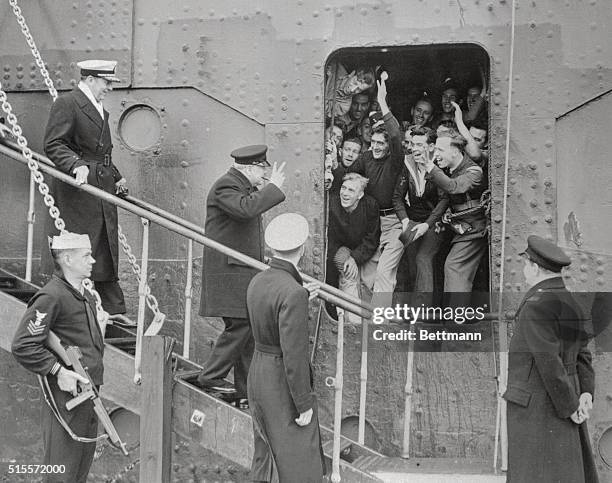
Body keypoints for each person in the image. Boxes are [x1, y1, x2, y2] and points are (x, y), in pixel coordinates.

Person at [12, 232, 110, 483]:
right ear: (67, 259)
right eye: (86, 255)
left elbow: (85, 347)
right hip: (66, 399)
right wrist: (58, 371)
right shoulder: (51, 296)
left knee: (77, 475)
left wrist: (100, 329)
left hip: (88, 394)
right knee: (60, 475)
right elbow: (23, 344)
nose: (93, 261)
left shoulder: (82, 296)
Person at [503, 235, 598, 483]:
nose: (524, 270)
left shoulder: (536, 304)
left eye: (526, 264)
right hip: (565, 399)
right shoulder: (572, 301)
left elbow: (549, 361)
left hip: (539, 406)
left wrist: (570, 408)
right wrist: (585, 394)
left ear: (535, 268)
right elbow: (583, 353)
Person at [197, 145, 286, 401]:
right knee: (242, 325)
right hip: (229, 274)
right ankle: (210, 376)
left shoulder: (241, 187)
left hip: (239, 272)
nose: (264, 174)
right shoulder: (226, 185)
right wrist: (275, 187)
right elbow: (246, 209)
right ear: (249, 167)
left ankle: (245, 392)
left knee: (247, 334)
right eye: (262, 168)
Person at [43, 60, 127, 316]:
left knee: (103, 249)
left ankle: (110, 310)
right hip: (78, 195)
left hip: (100, 189)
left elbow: (100, 154)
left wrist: (117, 176)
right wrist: (75, 165)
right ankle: (85, 309)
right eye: (106, 82)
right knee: (85, 249)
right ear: (90, 79)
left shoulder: (98, 107)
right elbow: (54, 143)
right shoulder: (68, 103)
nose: (109, 88)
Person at [246, 213, 325, 482]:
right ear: (302, 249)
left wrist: (300, 293)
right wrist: (303, 403)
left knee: (265, 456)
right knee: (299, 463)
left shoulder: (258, 280)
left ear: (272, 248)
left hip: (258, 373)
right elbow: (294, 355)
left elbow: (271, 305)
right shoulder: (293, 292)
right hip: (280, 382)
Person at [350, 73, 405, 308]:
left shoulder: (395, 161)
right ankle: (371, 321)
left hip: (395, 223)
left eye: (381, 144)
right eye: (373, 143)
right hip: (372, 223)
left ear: (388, 147)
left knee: (384, 272)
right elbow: (346, 175)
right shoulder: (365, 158)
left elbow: (395, 135)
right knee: (368, 275)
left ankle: (380, 326)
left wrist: (383, 103)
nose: (376, 147)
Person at [423, 131, 487, 295]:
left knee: (454, 266)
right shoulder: (452, 170)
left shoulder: (474, 172)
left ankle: (456, 316)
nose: (436, 154)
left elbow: (454, 187)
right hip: (462, 229)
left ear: (455, 151)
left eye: (440, 150)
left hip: (474, 230)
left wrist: (430, 167)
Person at [393, 127, 446, 305]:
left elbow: (444, 200)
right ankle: (414, 312)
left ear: (431, 147)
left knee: (423, 258)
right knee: (411, 264)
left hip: (435, 222)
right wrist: (405, 221)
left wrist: (428, 224)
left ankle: (424, 312)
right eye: (412, 144)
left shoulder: (438, 165)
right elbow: (397, 198)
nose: (414, 149)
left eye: (419, 145)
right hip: (413, 220)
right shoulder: (408, 164)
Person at [327, 173, 380, 322]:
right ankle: (353, 321)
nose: (344, 193)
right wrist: (347, 258)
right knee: (347, 270)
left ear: (360, 195)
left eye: (351, 190)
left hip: (364, 248)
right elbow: (329, 238)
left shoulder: (370, 205)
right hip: (341, 247)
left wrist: (355, 257)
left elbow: (372, 238)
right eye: (343, 188)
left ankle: (371, 320)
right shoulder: (332, 204)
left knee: (369, 281)